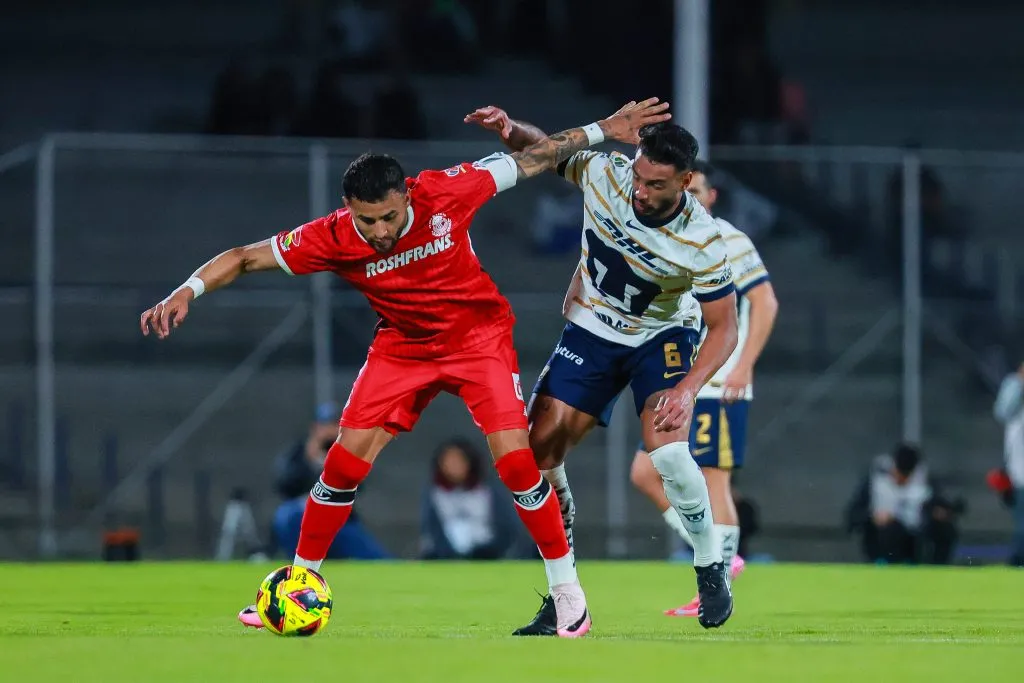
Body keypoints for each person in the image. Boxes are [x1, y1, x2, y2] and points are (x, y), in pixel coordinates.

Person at [139, 97, 670, 638]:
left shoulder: (447, 190)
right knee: (342, 465)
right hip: (403, 347)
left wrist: (604, 128)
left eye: (389, 216)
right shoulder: (333, 235)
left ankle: (568, 598)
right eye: (366, 220)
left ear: (406, 195)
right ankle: (299, 586)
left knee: (516, 462)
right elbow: (245, 255)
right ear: (349, 209)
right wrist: (188, 290)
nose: (380, 230)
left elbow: (538, 157)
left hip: (477, 338)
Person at [467, 106, 739, 630]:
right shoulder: (606, 173)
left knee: (671, 454)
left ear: (685, 181)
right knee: (537, 453)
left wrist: (687, 388)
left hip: (661, 334)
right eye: (638, 174)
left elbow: (723, 327)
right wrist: (512, 130)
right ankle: (565, 595)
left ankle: (709, 564)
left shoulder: (701, 240)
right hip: (592, 329)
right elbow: (546, 152)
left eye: (656, 183)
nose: (640, 190)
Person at [630, 162, 778, 617]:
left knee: (714, 480)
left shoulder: (729, 239)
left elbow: (765, 301)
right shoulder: (665, 237)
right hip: (679, 384)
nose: (690, 195)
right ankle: (716, 554)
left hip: (717, 384)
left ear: (710, 196)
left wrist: (744, 367)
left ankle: (714, 576)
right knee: (644, 473)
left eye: (697, 188)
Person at [272, 402, 390, 560]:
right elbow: (284, 483)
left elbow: (358, 485)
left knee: (379, 560)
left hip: (338, 520)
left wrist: (327, 463)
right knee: (286, 515)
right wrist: (311, 459)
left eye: (335, 425)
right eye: (325, 425)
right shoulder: (299, 453)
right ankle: (298, 563)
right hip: (302, 517)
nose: (330, 430)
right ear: (315, 428)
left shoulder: (344, 451)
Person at [844, 443, 959, 565]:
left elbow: (941, 507)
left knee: (945, 528)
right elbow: (853, 515)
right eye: (899, 473)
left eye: (907, 475)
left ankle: (937, 568)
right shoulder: (875, 481)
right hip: (884, 538)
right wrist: (872, 517)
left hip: (916, 537)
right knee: (891, 530)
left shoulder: (926, 483)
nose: (902, 480)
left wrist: (938, 513)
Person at [420, 438, 521, 560]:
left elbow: (507, 528)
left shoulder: (488, 491)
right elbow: (431, 530)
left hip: (486, 555)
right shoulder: (435, 493)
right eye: (448, 461)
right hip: (444, 556)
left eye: (458, 461)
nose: (453, 466)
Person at [993, 361, 1024, 566]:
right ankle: (1016, 565)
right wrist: (1020, 382)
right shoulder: (1015, 386)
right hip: (1020, 473)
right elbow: (1002, 412)